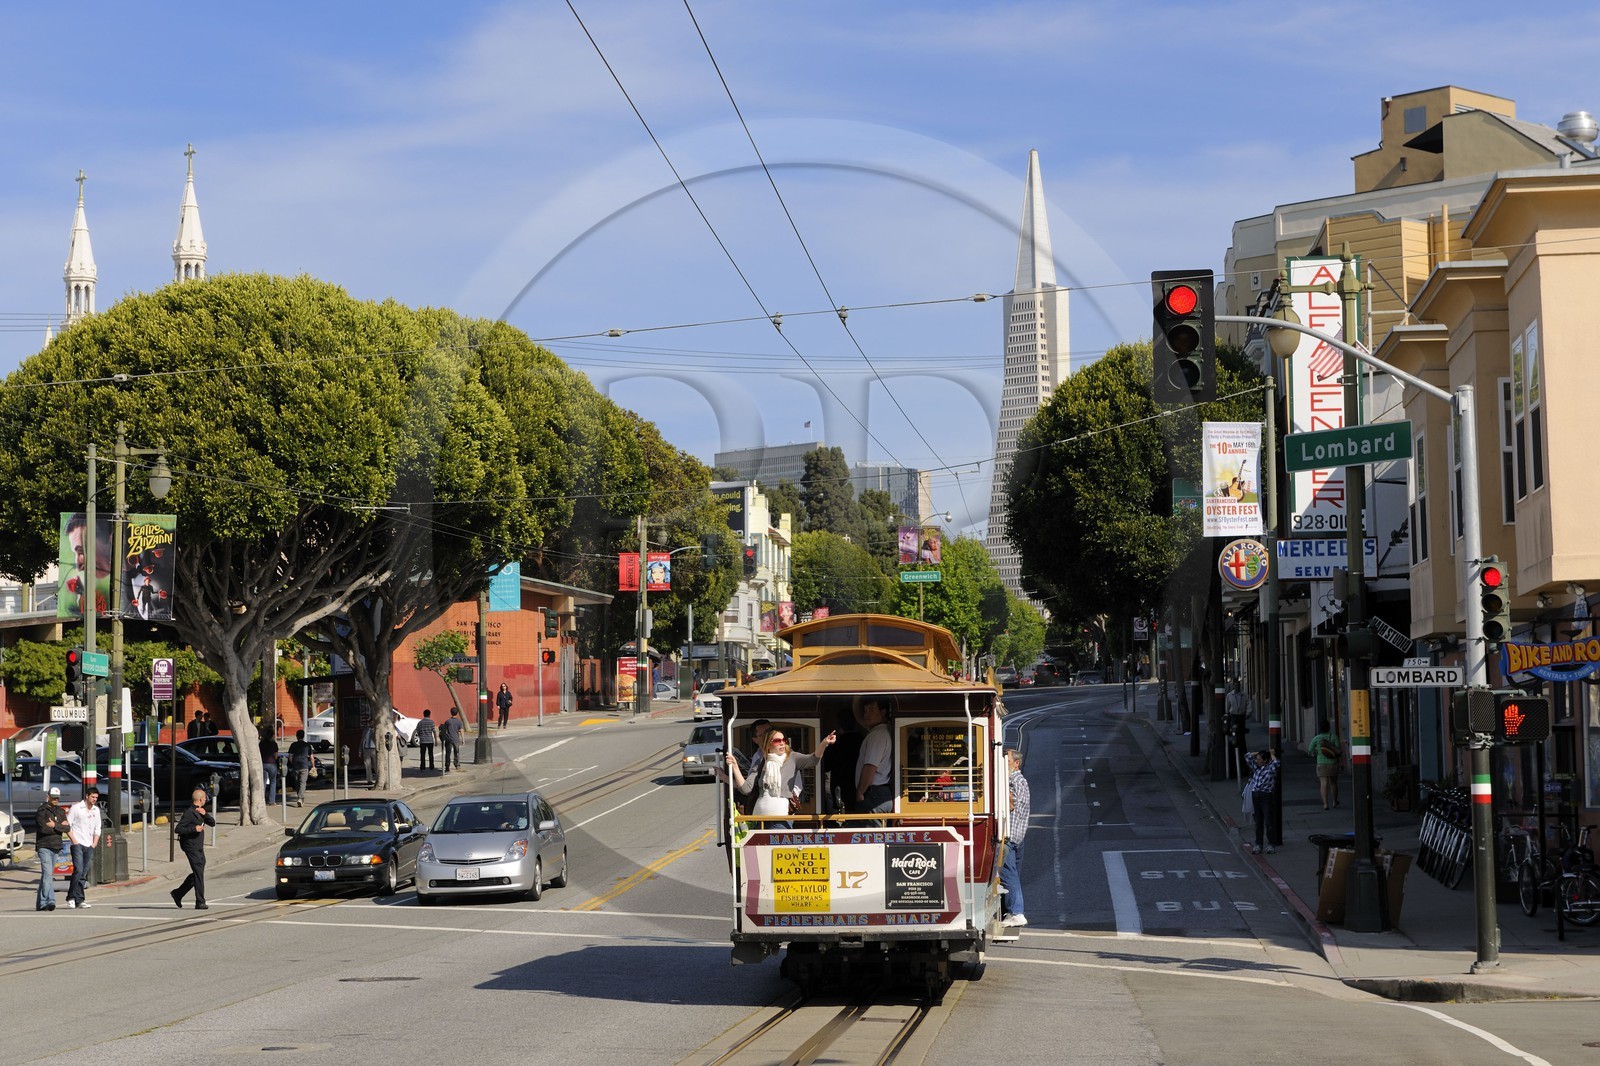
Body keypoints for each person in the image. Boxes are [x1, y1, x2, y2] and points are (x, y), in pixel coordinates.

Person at [724, 727, 836, 829]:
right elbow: (746, 789)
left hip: (781, 819)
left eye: (784, 740)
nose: (782, 743)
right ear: (768, 744)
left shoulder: (792, 757)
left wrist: (824, 743)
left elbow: (813, 759)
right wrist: (735, 767)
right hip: (759, 819)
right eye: (777, 741)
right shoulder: (760, 762)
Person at [999, 748, 1030, 927]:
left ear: (1016, 763)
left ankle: (1016, 912)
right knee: (1014, 875)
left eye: (1007, 761)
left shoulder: (1011, 780)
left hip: (1009, 835)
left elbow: (1010, 804)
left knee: (1007, 874)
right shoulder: (1022, 780)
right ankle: (1013, 911)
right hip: (1019, 836)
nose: (1004, 764)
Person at [171, 788, 216, 910]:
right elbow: (178, 829)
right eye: (205, 797)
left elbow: (212, 823)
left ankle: (178, 893)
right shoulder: (189, 813)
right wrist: (194, 829)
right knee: (199, 873)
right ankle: (200, 902)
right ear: (200, 799)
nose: (206, 799)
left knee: (198, 872)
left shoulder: (200, 811)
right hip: (191, 847)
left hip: (199, 846)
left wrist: (205, 814)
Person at [852, 697, 895, 826]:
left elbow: (870, 766)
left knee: (872, 835)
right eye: (865, 711)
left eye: (871, 710)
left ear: (883, 712)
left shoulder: (877, 735)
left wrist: (860, 792)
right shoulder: (886, 731)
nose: (867, 714)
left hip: (874, 794)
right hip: (882, 793)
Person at [65, 788, 103, 909]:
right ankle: (71, 897)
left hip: (89, 844)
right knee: (78, 870)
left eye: (96, 798)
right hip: (77, 843)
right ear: (87, 796)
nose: (94, 799)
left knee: (84, 873)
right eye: (93, 797)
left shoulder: (96, 810)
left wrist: (94, 843)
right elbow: (68, 826)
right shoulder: (76, 808)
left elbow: (98, 828)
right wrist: (74, 841)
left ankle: (80, 899)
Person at [34, 787, 69, 912]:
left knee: (47, 875)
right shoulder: (41, 811)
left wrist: (54, 825)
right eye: (53, 797)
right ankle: (49, 901)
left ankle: (40, 904)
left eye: (57, 798)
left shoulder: (60, 811)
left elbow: (67, 828)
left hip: (56, 846)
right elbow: (43, 829)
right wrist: (59, 827)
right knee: (48, 874)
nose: (56, 800)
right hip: (44, 846)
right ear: (48, 796)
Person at [1247, 749, 1281, 854]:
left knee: (1268, 821)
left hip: (1266, 796)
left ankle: (1271, 844)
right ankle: (1258, 844)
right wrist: (1258, 753)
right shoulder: (1257, 768)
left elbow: (1276, 763)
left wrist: (1272, 754)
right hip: (1256, 795)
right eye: (1256, 759)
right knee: (1258, 822)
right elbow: (1247, 756)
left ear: (1265, 760)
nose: (1256, 761)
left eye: (1259, 759)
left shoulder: (1270, 769)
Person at [1307, 719, 1343, 810]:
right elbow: (1338, 750)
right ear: (1329, 727)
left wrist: (1316, 752)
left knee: (1323, 783)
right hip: (1333, 763)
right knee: (1333, 783)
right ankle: (1334, 801)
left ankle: (1325, 804)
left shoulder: (1317, 738)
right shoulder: (1334, 737)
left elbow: (1310, 750)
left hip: (1321, 763)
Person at [288, 729, 313, 806]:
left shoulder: (293, 745)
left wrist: (293, 763)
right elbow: (311, 757)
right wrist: (313, 766)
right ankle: (300, 798)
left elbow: (290, 756)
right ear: (303, 736)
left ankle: (300, 798)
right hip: (304, 766)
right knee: (303, 782)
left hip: (296, 766)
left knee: (297, 782)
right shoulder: (307, 745)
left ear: (297, 736)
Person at [259, 726, 280, 805]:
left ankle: (262, 800)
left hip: (263, 764)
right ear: (272, 735)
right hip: (272, 764)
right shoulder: (274, 744)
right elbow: (276, 756)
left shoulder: (261, 743)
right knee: (273, 782)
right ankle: (272, 801)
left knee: (263, 782)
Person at [440, 707, 465, 772]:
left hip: (448, 739)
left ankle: (447, 766)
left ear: (451, 712)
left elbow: (444, 730)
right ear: (457, 713)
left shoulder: (447, 721)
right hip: (456, 739)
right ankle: (457, 765)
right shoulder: (459, 721)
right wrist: (463, 739)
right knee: (456, 752)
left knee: (448, 753)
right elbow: (461, 730)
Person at [360, 722, 378, 788]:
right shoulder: (366, 730)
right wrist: (360, 750)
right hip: (366, 749)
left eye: (372, 722)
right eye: (370, 722)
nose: (371, 724)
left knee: (376, 765)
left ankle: (378, 778)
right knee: (367, 766)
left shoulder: (376, 730)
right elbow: (362, 740)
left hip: (374, 749)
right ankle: (369, 780)